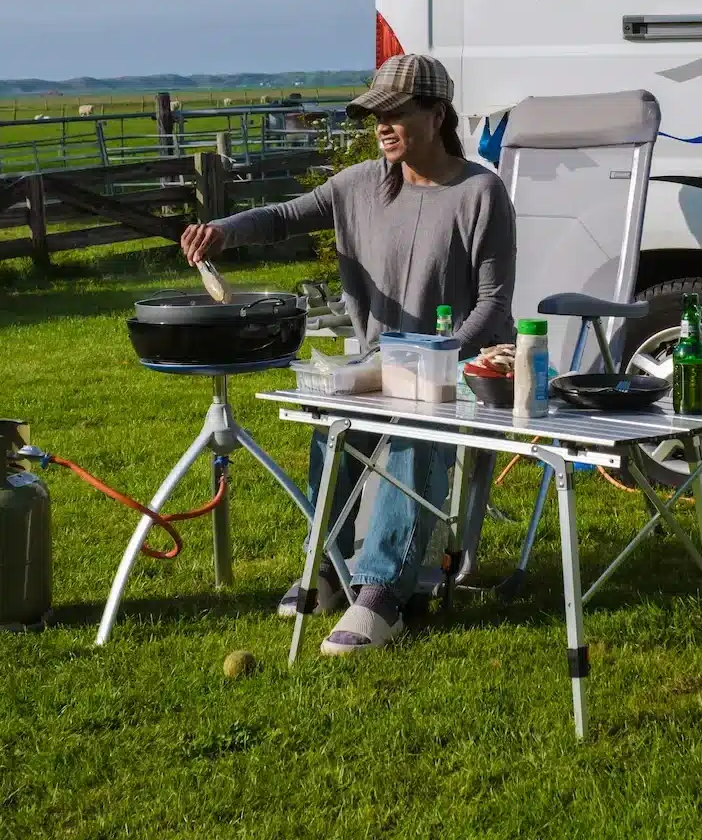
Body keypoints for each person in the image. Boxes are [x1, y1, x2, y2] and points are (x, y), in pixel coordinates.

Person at [180, 54, 516, 655]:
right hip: (374, 361)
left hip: (453, 371)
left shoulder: (480, 193)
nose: (381, 126)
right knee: (331, 421)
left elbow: (494, 304)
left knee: (414, 434)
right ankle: (329, 566)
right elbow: (284, 217)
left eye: (396, 113)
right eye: (373, 116)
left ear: (437, 115)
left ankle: (382, 593)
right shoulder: (358, 185)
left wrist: (438, 356)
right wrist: (224, 231)